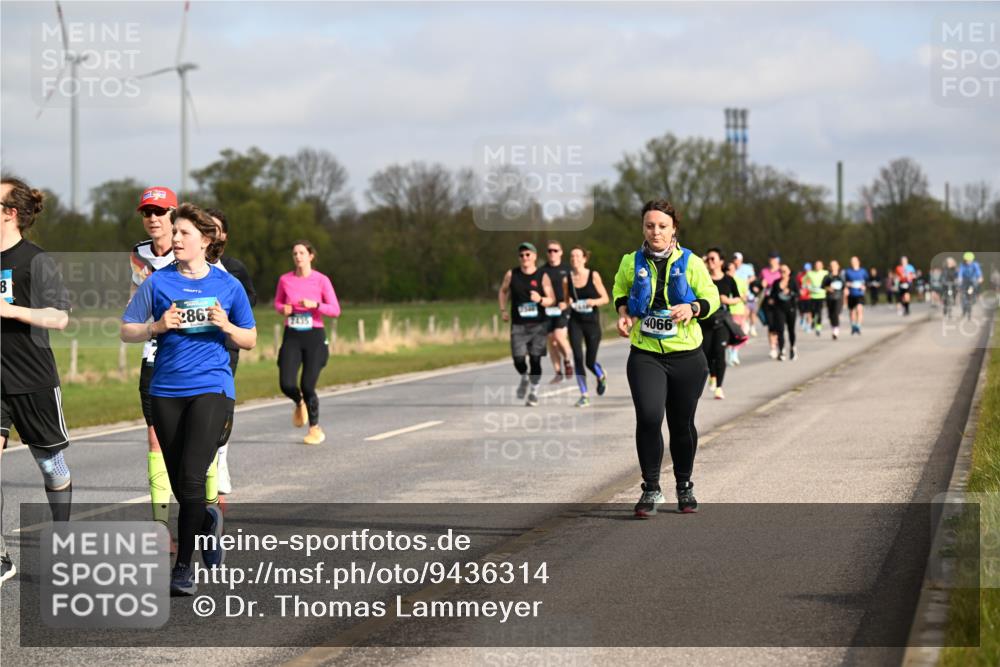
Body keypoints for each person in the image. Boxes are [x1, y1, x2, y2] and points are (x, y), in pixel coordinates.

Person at [121, 202, 257, 595]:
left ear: (206, 240)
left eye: (184, 233)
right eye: (175, 231)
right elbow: (127, 329)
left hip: (212, 387)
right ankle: (207, 520)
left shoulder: (227, 285)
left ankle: (183, 567)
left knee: (193, 476)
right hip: (165, 390)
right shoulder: (158, 283)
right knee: (183, 480)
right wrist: (156, 327)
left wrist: (226, 325)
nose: (175, 238)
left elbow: (249, 338)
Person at [612, 199, 719, 517]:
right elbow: (620, 290)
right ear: (643, 228)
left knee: (681, 424)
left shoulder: (691, 262)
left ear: (674, 229)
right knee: (648, 417)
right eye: (649, 226)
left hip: (687, 356)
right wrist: (623, 313)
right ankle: (651, 488)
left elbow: (711, 297)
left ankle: (684, 485)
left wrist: (693, 307)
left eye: (662, 226)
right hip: (646, 353)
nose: (655, 231)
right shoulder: (630, 261)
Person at [0, 176, 73, 585]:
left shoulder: (36, 260)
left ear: (10, 213)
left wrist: (11, 311)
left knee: (51, 466)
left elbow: (59, 317)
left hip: (33, 379)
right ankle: (1, 557)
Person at [131, 187, 183, 535]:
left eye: (159, 211)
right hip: (153, 356)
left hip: (191, 357)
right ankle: (161, 526)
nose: (152, 218)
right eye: (147, 212)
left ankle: (208, 506)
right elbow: (133, 307)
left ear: (173, 215)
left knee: (194, 441)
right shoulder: (138, 256)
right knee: (155, 441)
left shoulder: (189, 247)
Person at [205, 208, 256, 496]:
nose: (210, 232)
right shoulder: (185, 266)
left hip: (227, 344)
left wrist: (227, 314)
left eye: (214, 228)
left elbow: (250, 300)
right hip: (194, 346)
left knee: (220, 403)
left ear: (223, 235)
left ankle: (221, 459)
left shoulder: (234, 269)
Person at [274, 241, 340, 445]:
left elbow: (335, 310)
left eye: (302, 253)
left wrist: (316, 305)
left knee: (307, 385)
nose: (298, 256)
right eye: (295, 253)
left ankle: (314, 429)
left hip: (315, 336)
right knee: (286, 384)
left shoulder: (321, 280)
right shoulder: (285, 280)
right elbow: (278, 303)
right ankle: (299, 401)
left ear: (311, 256)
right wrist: (282, 309)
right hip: (292, 335)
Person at [499, 242, 556, 407]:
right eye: (521, 255)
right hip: (518, 325)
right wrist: (503, 309)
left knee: (535, 360)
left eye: (528, 254)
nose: (524, 257)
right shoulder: (512, 274)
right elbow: (503, 291)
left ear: (534, 256)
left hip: (538, 324)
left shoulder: (542, 275)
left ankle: (534, 392)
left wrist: (540, 299)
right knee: (518, 359)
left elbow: (551, 299)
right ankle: (524, 376)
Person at [566, 246, 609, 407]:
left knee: (589, 361)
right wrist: (566, 303)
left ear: (584, 259)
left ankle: (600, 375)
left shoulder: (593, 275)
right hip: (575, 322)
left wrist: (593, 301)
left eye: (578, 256)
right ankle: (584, 395)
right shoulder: (567, 279)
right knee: (578, 358)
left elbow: (605, 298)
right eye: (572, 256)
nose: (574, 259)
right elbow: (565, 300)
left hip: (592, 323)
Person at [701, 251, 741, 400]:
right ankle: (712, 374)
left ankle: (719, 387)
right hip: (705, 321)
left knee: (719, 352)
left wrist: (727, 301)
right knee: (706, 353)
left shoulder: (728, 280)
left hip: (722, 320)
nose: (710, 261)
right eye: (707, 258)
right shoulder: (703, 278)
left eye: (713, 258)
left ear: (721, 261)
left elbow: (738, 297)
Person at [540, 241, 573, 384]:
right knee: (551, 342)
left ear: (561, 252)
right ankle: (558, 372)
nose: (552, 253)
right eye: (549, 251)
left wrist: (566, 302)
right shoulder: (542, 271)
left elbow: (575, 290)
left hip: (563, 308)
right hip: (547, 309)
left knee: (559, 337)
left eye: (555, 250)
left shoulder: (568, 269)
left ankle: (568, 361)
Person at [766, 264, 798, 361]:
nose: (783, 273)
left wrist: (790, 292)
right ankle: (782, 350)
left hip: (791, 308)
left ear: (789, 272)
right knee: (780, 330)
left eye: (785, 271)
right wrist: (771, 299)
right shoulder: (776, 282)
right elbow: (772, 294)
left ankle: (792, 348)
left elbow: (798, 293)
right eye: (781, 271)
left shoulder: (793, 282)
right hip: (779, 309)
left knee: (791, 330)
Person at [726, 258, 749, 366]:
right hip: (729, 312)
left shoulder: (740, 281)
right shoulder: (723, 281)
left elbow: (745, 297)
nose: (730, 271)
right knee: (732, 335)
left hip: (740, 311)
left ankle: (734, 352)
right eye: (728, 269)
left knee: (742, 335)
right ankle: (731, 354)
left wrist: (741, 299)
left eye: (732, 269)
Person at [758, 252, 782, 358]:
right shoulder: (764, 271)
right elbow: (758, 285)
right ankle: (773, 347)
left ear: (778, 260)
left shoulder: (781, 271)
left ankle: (779, 343)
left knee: (778, 324)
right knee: (771, 324)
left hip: (779, 300)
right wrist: (761, 285)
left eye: (774, 258)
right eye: (770, 258)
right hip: (767, 300)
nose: (772, 261)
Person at [731, 252, 757, 336]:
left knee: (753, 312)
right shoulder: (732, 268)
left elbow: (753, 277)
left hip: (748, 294)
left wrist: (747, 281)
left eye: (737, 259)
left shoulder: (747, 267)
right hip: (738, 294)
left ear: (741, 260)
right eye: (734, 259)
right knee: (745, 312)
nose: (735, 261)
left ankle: (752, 326)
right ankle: (745, 326)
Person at [843, 256, 868, 335]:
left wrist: (864, 286)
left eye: (854, 261)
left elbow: (867, 281)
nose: (853, 263)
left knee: (859, 309)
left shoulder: (863, 271)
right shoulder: (848, 271)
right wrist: (847, 286)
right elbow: (844, 282)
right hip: (851, 293)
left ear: (858, 262)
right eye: (852, 262)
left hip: (860, 293)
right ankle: (853, 325)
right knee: (852, 311)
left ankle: (858, 326)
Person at [821, 259, 845, 340]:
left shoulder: (841, 276)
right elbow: (822, 286)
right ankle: (834, 328)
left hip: (838, 297)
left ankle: (836, 329)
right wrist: (828, 288)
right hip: (829, 297)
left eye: (834, 265)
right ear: (829, 267)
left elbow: (844, 286)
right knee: (831, 315)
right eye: (831, 266)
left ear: (838, 266)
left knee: (835, 313)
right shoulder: (827, 277)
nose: (833, 267)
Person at [804, 260, 829, 336]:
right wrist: (807, 286)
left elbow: (830, 281)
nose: (818, 266)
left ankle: (818, 327)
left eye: (819, 265)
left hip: (822, 295)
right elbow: (804, 281)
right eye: (816, 265)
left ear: (822, 266)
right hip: (812, 296)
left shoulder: (826, 273)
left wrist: (827, 287)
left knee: (819, 312)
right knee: (813, 312)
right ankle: (813, 322)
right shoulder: (810, 273)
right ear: (814, 266)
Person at [797, 262, 812, 331]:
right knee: (802, 312)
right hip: (801, 297)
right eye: (806, 269)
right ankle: (802, 319)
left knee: (809, 312)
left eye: (808, 269)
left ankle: (808, 326)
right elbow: (796, 285)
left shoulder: (812, 276)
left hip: (809, 297)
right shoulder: (800, 276)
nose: (807, 270)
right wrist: (799, 291)